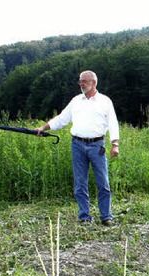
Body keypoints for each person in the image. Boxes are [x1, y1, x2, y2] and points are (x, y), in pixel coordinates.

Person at [36, 70, 120, 226]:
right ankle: (84, 217)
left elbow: (113, 123)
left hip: (97, 146)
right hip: (78, 145)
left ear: (94, 83)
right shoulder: (76, 101)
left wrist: (115, 144)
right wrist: (44, 128)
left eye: (84, 81)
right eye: (80, 81)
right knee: (80, 183)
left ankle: (106, 216)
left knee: (103, 183)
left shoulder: (105, 101)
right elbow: (62, 119)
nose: (81, 84)